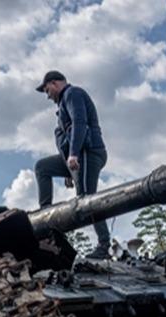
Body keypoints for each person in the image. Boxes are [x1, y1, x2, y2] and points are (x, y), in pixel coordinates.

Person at [33, 70, 110, 259]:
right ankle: (45, 214)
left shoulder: (73, 94)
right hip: (76, 156)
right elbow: (66, 138)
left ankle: (104, 244)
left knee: (87, 199)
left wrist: (74, 154)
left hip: (89, 153)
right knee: (42, 167)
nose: (47, 96)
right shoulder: (62, 105)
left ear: (54, 84)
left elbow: (80, 123)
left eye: (46, 90)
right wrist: (68, 170)